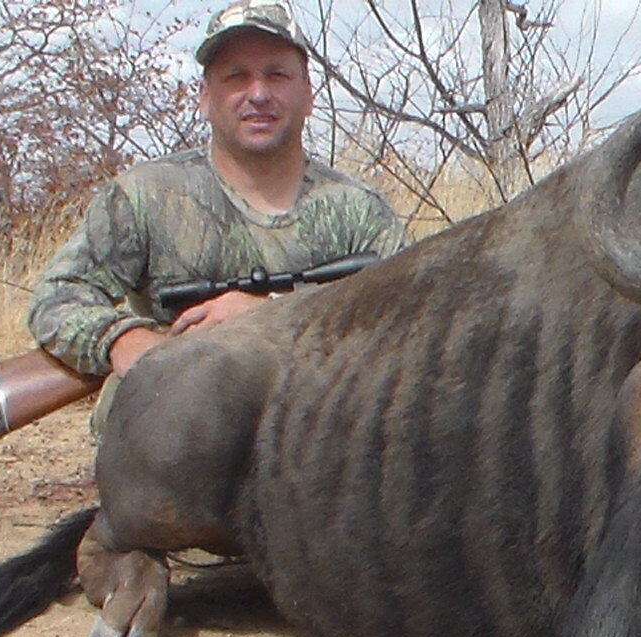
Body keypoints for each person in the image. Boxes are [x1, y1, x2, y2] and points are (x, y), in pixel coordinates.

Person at [26, 0, 402, 402]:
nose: (258, 94)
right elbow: (57, 296)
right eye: (236, 77)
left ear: (308, 95)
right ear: (204, 97)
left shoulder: (361, 213)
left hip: (310, 431)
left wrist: (267, 316)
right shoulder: (145, 195)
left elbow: (405, 324)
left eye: (277, 75)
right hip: (172, 426)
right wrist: (126, 342)